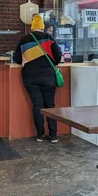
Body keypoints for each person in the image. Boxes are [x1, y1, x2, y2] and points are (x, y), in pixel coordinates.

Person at [13, 15, 62, 143]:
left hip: (30, 77)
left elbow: (16, 58)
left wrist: (24, 60)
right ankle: (53, 135)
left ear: (32, 27)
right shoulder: (48, 37)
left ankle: (40, 135)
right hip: (48, 77)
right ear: (42, 27)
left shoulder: (24, 39)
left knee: (37, 105)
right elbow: (58, 56)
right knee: (50, 105)